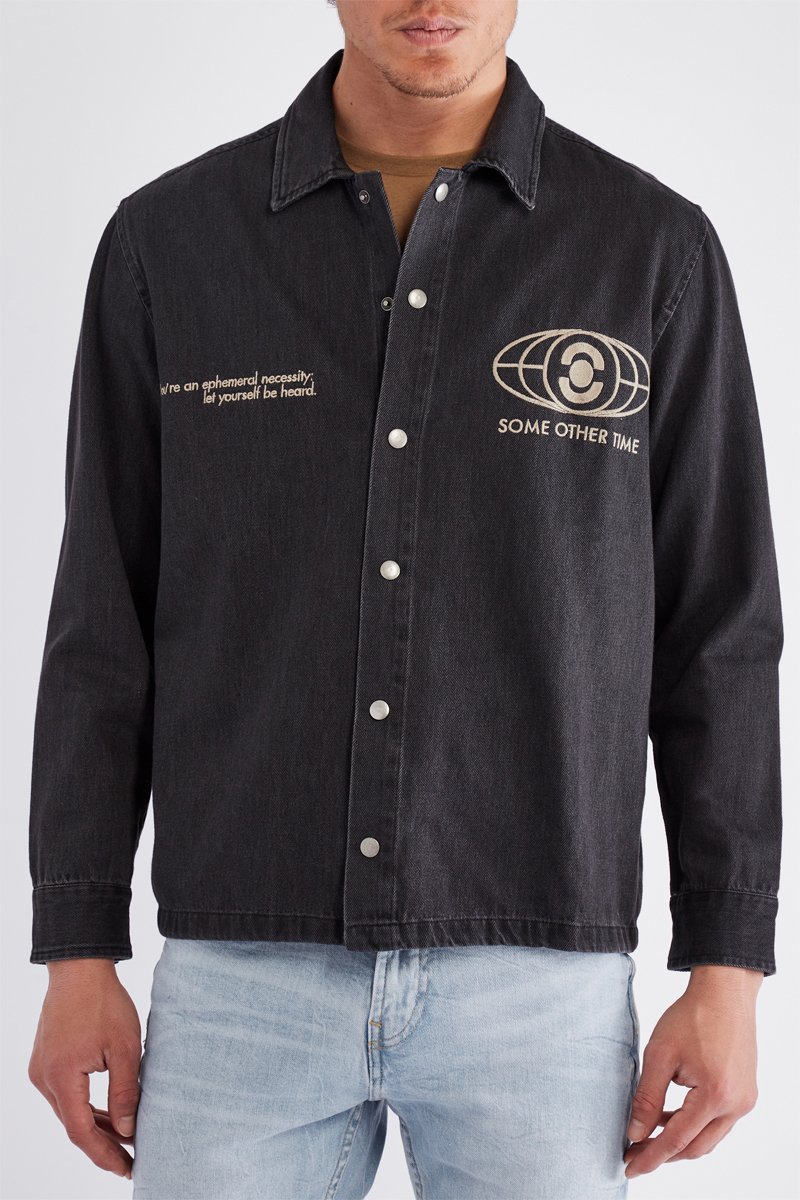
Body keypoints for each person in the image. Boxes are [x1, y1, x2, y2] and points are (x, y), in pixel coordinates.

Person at [26, 2, 783, 1197]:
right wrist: (78, 948)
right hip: (237, 977)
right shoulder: (168, 243)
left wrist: (725, 965)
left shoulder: (649, 249)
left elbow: (718, 632)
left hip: (539, 984)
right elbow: (99, 622)